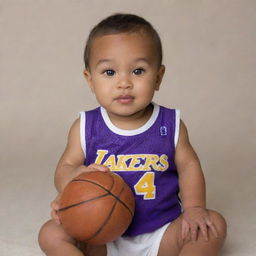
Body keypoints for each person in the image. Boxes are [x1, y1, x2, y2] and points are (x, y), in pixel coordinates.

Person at [38, 13, 227, 256]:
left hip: (162, 232)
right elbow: (65, 167)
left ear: (158, 77)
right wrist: (72, 183)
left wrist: (194, 209)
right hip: (100, 235)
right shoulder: (85, 126)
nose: (124, 82)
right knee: (50, 233)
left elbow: (189, 166)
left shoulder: (171, 124)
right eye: (109, 72)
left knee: (213, 226)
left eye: (138, 71)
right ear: (90, 80)